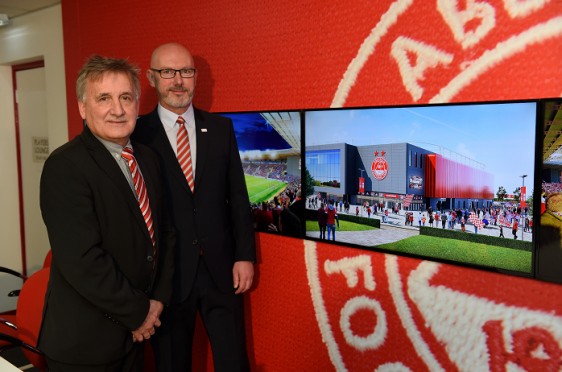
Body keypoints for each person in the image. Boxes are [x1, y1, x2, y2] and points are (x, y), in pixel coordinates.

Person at [38, 55, 176, 371]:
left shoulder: (148, 159)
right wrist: (140, 312)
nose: (117, 109)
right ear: (83, 108)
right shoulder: (65, 167)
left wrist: (158, 300)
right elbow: (83, 261)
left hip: (137, 336)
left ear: (137, 104)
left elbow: (165, 232)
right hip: (86, 345)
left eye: (125, 97)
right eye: (104, 98)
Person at [131, 43, 256, 371]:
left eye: (185, 71)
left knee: (234, 362)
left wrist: (244, 255)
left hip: (222, 270)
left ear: (195, 77)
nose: (177, 80)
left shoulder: (220, 128)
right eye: (167, 72)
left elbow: (238, 198)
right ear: (151, 78)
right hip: (167, 277)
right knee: (172, 364)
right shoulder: (137, 133)